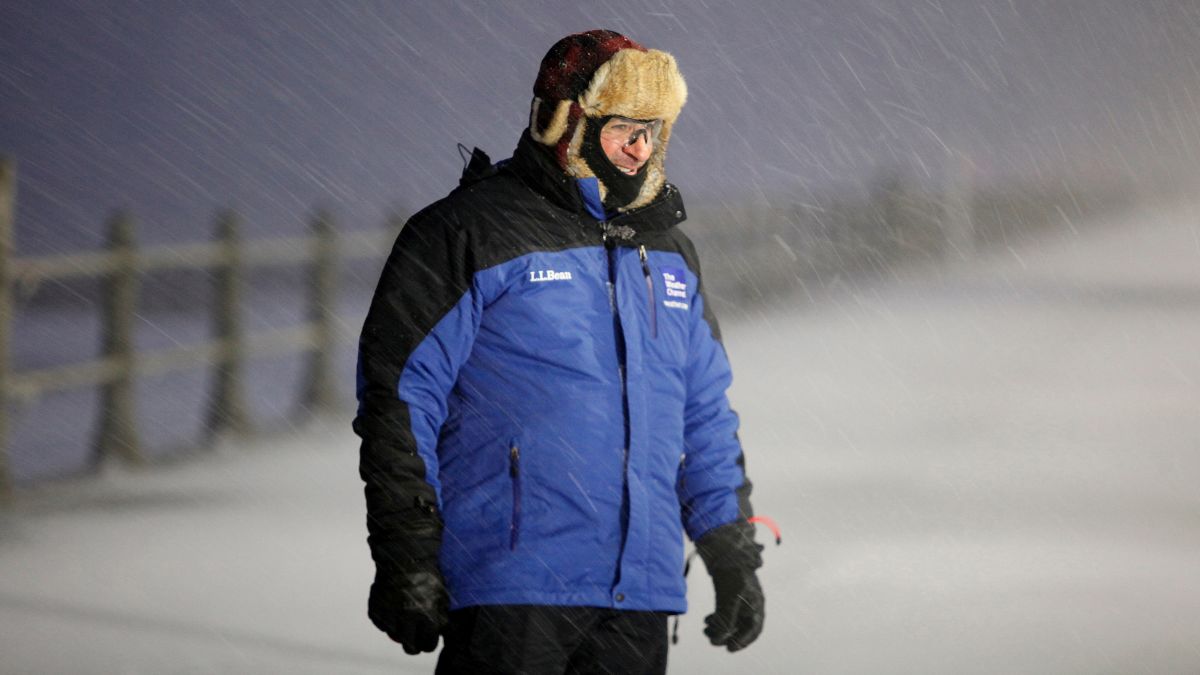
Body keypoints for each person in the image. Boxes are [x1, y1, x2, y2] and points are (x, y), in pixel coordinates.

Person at [353, 29, 764, 675]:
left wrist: (729, 547)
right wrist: (406, 550)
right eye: (623, 127)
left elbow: (703, 412)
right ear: (566, 122)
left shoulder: (669, 253)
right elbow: (401, 396)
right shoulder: (471, 231)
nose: (640, 148)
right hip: (512, 584)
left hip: (640, 590)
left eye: (653, 130)